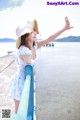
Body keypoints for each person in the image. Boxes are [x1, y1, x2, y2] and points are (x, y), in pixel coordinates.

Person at [8, 17, 73, 113]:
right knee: (18, 111)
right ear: (25, 35)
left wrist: (64, 28)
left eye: (35, 31)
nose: (35, 33)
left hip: (26, 79)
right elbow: (32, 63)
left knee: (22, 109)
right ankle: (7, 117)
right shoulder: (23, 49)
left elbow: (49, 38)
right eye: (32, 32)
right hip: (21, 82)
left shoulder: (34, 45)